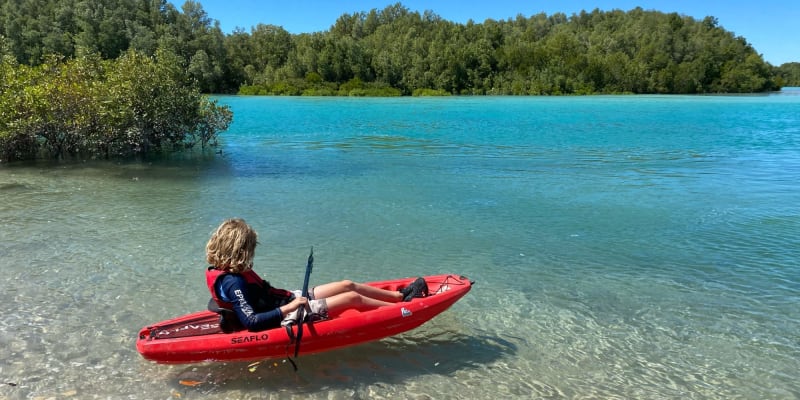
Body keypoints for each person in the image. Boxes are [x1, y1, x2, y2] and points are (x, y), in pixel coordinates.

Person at [205, 218, 428, 332]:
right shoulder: (234, 281)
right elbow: (252, 322)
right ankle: (404, 310)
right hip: (285, 315)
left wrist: (292, 300)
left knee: (347, 284)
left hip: (287, 300)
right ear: (240, 250)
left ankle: (400, 297)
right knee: (352, 299)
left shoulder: (231, 270)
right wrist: (290, 308)